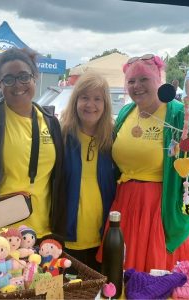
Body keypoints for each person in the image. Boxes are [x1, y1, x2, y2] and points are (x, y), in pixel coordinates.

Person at [97, 54, 189, 272]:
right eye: (131, 81)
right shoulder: (125, 112)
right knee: (121, 273)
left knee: (156, 275)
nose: (136, 86)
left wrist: (187, 216)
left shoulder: (179, 114)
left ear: (158, 79)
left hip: (161, 211)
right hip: (124, 203)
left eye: (143, 79)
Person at [0, 47, 66, 242]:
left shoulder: (50, 121)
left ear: (34, 77)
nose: (17, 84)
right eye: (8, 79)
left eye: (23, 77)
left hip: (42, 233)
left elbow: (57, 179)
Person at [60, 71, 116, 271]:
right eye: (84, 97)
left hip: (103, 236)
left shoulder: (113, 139)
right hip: (66, 237)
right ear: (75, 101)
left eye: (97, 99)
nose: (90, 104)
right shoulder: (61, 135)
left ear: (105, 104)